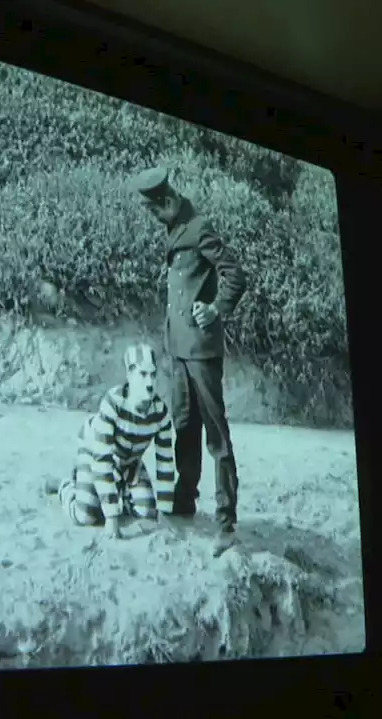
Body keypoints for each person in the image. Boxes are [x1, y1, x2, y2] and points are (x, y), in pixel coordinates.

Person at [126, 167, 248, 550]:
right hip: (179, 348)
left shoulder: (199, 228)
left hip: (201, 350)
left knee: (216, 434)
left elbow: (235, 275)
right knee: (184, 425)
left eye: (153, 211)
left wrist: (215, 309)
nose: (153, 219)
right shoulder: (177, 228)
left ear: (166, 201)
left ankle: (226, 523)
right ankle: (185, 500)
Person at [54, 344, 177, 539]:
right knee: (85, 516)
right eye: (143, 374)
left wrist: (164, 512)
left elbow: (166, 463)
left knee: (147, 513)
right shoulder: (113, 402)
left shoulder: (160, 413)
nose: (149, 382)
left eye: (153, 375)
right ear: (129, 375)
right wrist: (112, 517)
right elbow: (101, 458)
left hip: (130, 463)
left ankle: (117, 494)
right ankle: (65, 487)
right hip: (95, 455)